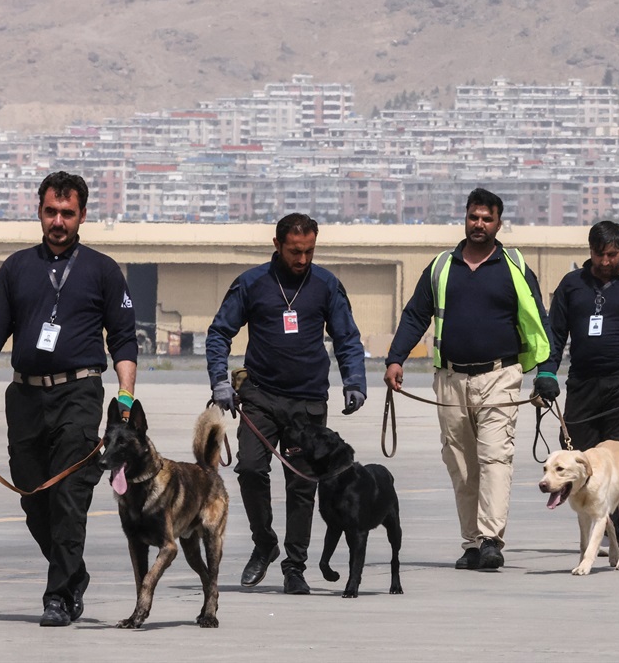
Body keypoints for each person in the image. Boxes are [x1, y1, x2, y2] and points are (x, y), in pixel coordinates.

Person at [0, 171, 138, 627]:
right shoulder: (16, 268)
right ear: (39, 211)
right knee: (34, 499)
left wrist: (126, 395)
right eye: (51, 211)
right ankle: (74, 576)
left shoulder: (103, 270)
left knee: (69, 495)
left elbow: (125, 339)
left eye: (67, 213)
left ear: (83, 216)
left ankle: (56, 597)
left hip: (80, 393)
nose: (58, 221)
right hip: (26, 398)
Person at [383, 187, 552, 571]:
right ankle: (472, 543)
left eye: (487, 219)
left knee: (495, 456)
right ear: (465, 218)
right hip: (450, 378)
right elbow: (414, 315)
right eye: (474, 217)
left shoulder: (514, 266)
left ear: (498, 223)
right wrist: (395, 359)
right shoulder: (442, 266)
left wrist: (545, 370)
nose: (479, 224)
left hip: (500, 375)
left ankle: (492, 539)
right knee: (460, 464)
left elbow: (539, 321)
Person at [206, 213, 367, 596]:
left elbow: (347, 337)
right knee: (249, 468)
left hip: (308, 402)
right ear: (277, 245)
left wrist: (355, 382)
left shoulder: (327, 285)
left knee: (301, 486)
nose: (303, 259)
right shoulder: (252, 284)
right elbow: (219, 333)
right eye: (296, 251)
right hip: (259, 395)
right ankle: (264, 542)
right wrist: (219, 380)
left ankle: (294, 566)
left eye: (310, 251)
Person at [536, 221, 619, 541]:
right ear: (589, 251)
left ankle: (613, 517)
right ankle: (598, 516)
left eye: (612, 254)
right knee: (580, 457)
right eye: (599, 254)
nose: (605, 262)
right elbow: (554, 334)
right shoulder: (571, 285)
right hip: (582, 385)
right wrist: (546, 373)